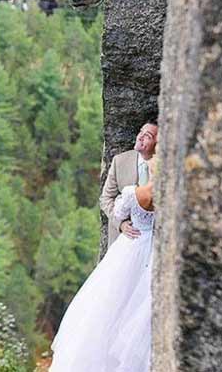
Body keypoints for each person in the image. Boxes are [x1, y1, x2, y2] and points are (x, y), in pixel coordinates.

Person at [49, 157, 157, 371]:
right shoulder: (168, 196)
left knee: (110, 303)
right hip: (153, 250)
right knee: (137, 306)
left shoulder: (133, 193)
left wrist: (126, 219)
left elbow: (118, 211)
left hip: (132, 247)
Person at [99, 123, 158, 247]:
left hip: (152, 244)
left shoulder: (164, 168)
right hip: (122, 241)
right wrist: (121, 224)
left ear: (157, 145)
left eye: (148, 136)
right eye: (141, 131)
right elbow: (105, 199)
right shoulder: (120, 161)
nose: (140, 137)